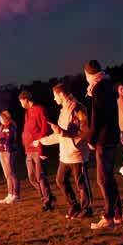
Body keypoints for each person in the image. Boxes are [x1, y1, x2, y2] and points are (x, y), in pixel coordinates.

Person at [37, 83, 93, 219]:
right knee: (60, 180)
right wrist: (41, 141)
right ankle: (74, 205)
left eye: (55, 96)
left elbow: (82, 132)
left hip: (77, 154)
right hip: (65, 155)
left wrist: (61, 132)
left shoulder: (78, 108)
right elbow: (60, 134)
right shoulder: (63, 111)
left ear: (61, 94)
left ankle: (87, 208)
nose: (54, 99)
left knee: (80, 183)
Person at [84, 60, 122, 229]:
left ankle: (109, 217)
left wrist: (91, 140)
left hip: (104, 139)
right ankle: (118, 214)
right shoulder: (108, 85)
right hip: (113, 136)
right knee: (109, 177)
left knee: (102, 179)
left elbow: (97, 117)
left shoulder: (98, 89)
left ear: (89, 75)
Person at [19, 90, 56, 211]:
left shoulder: (39, 109)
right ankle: (48, 197)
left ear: (26, 99)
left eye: (21, 101)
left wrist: (40, 147)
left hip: (37, 148)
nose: (20, 104)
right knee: (31, 177)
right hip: (28, 149)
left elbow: (45, 128)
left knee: (40, 176)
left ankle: (47, 201)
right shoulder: (26, 113)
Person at [0, 111, 21, 204]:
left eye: (1, 118)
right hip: (2, 152)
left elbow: (11, 139)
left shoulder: (12, 126)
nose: (0, 120)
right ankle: (10, 194)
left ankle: (16, 195)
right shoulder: (1, 127)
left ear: (6, 118)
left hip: (10, 151)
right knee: (7, 174)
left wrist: (3, 140)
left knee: (12, 173)